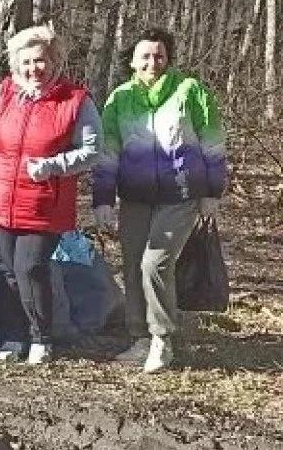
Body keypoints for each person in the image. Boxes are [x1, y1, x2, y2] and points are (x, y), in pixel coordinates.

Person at [0, 25, 101, 365]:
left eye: (41, 61)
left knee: (29, 266)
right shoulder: (3, 94)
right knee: (4, 268)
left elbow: (92, 151)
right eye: (27, 62)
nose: (35, 69)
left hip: (44, 202)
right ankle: (13, 335)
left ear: (54, 62)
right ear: (16, 65)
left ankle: (41, 338)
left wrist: (53, 165)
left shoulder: (76, 101)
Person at [92, 27, 227, 373]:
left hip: (181, 194)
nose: (153, 62)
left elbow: (212, 141)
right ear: (133, 61)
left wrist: (213, 191)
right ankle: (139, 337)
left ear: (168, 58)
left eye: (160, 55)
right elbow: (108, 153)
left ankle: (162, 339)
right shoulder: (119, 99)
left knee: (155, 264)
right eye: (146, 56)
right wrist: (103, 199)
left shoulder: (189, 91)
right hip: (135, 197)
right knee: (134, 263)